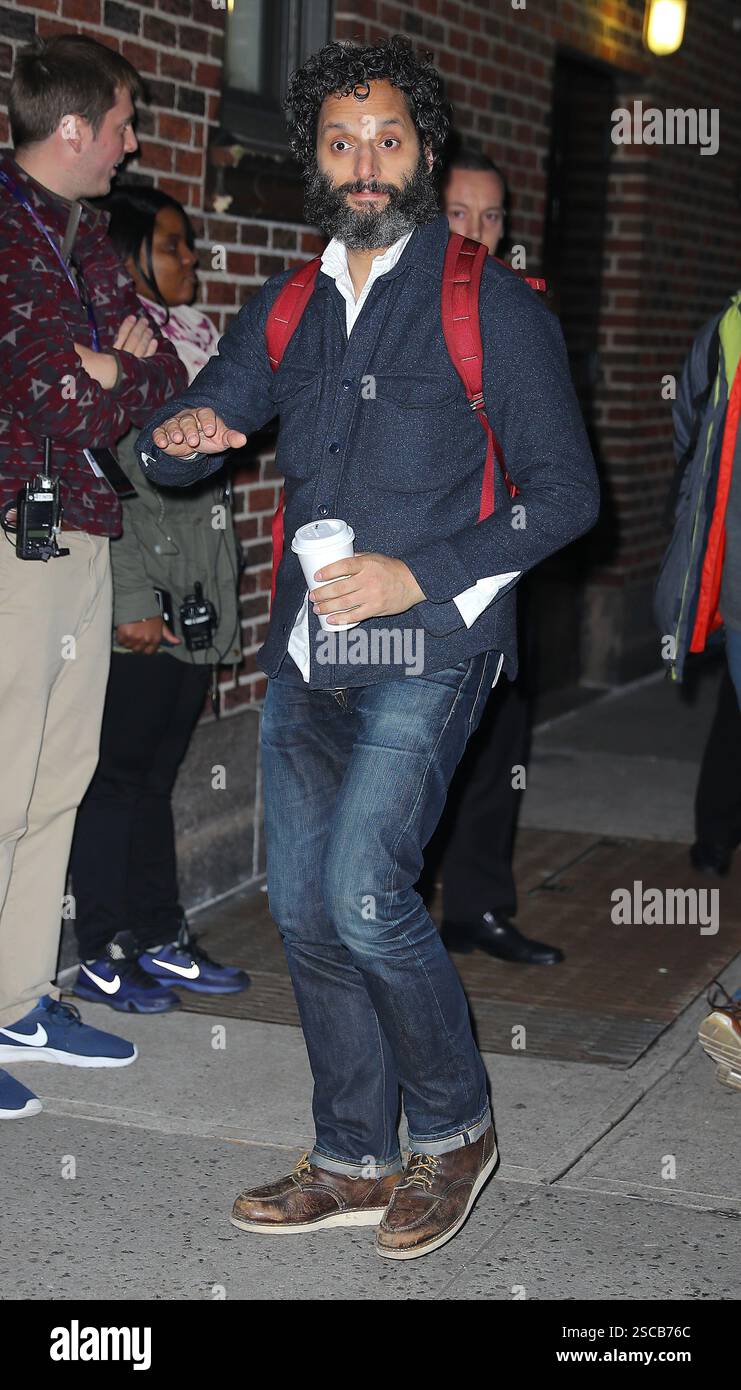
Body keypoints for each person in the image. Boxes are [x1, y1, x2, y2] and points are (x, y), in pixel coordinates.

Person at [137, 36, 599, 1259]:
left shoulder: (487, 302)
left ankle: (455, 1130)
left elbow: (565, 496)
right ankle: (351, 1155)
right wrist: (172, 442)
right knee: (302, 905)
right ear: (317, 160)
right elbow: (215, 415)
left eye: (388, 139)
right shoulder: (289, 302)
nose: (365, 162)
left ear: (424, 152)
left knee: (362, 889)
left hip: (432, 647)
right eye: (342, 142)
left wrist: (417, 573)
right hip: (308, 653)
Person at [0, 36, 186, 1121]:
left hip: (82, 527)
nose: (131, 143)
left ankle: (19, 996)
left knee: (59, 774)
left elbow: (158, 364)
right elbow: (58, 405)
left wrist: (117, 361)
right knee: (5, 776)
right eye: (121, 123)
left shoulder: (79, 231)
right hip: (18, 539)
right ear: (71, 128)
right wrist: (107, 371)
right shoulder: (11, 235)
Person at [69, 186, 249, 1013]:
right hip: (141, 606)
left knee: (154, 780)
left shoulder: (193, 344)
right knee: (115, 781)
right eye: (173, 246)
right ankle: (103, 948)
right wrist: (130, 600)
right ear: (133, 253)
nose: (190, 261)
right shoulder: (120, 344)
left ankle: (157, 936)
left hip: (195, 603)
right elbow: (109, 482)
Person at [425, 147, 563, 965]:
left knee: (498, 741)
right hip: (418, 570)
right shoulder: (398, 308)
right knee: (413, 755)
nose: (477, 232)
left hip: (506, 560)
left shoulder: (522, 309)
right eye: (457, 215)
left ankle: (476, 907)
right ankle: (389, 919)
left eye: (492, 216)